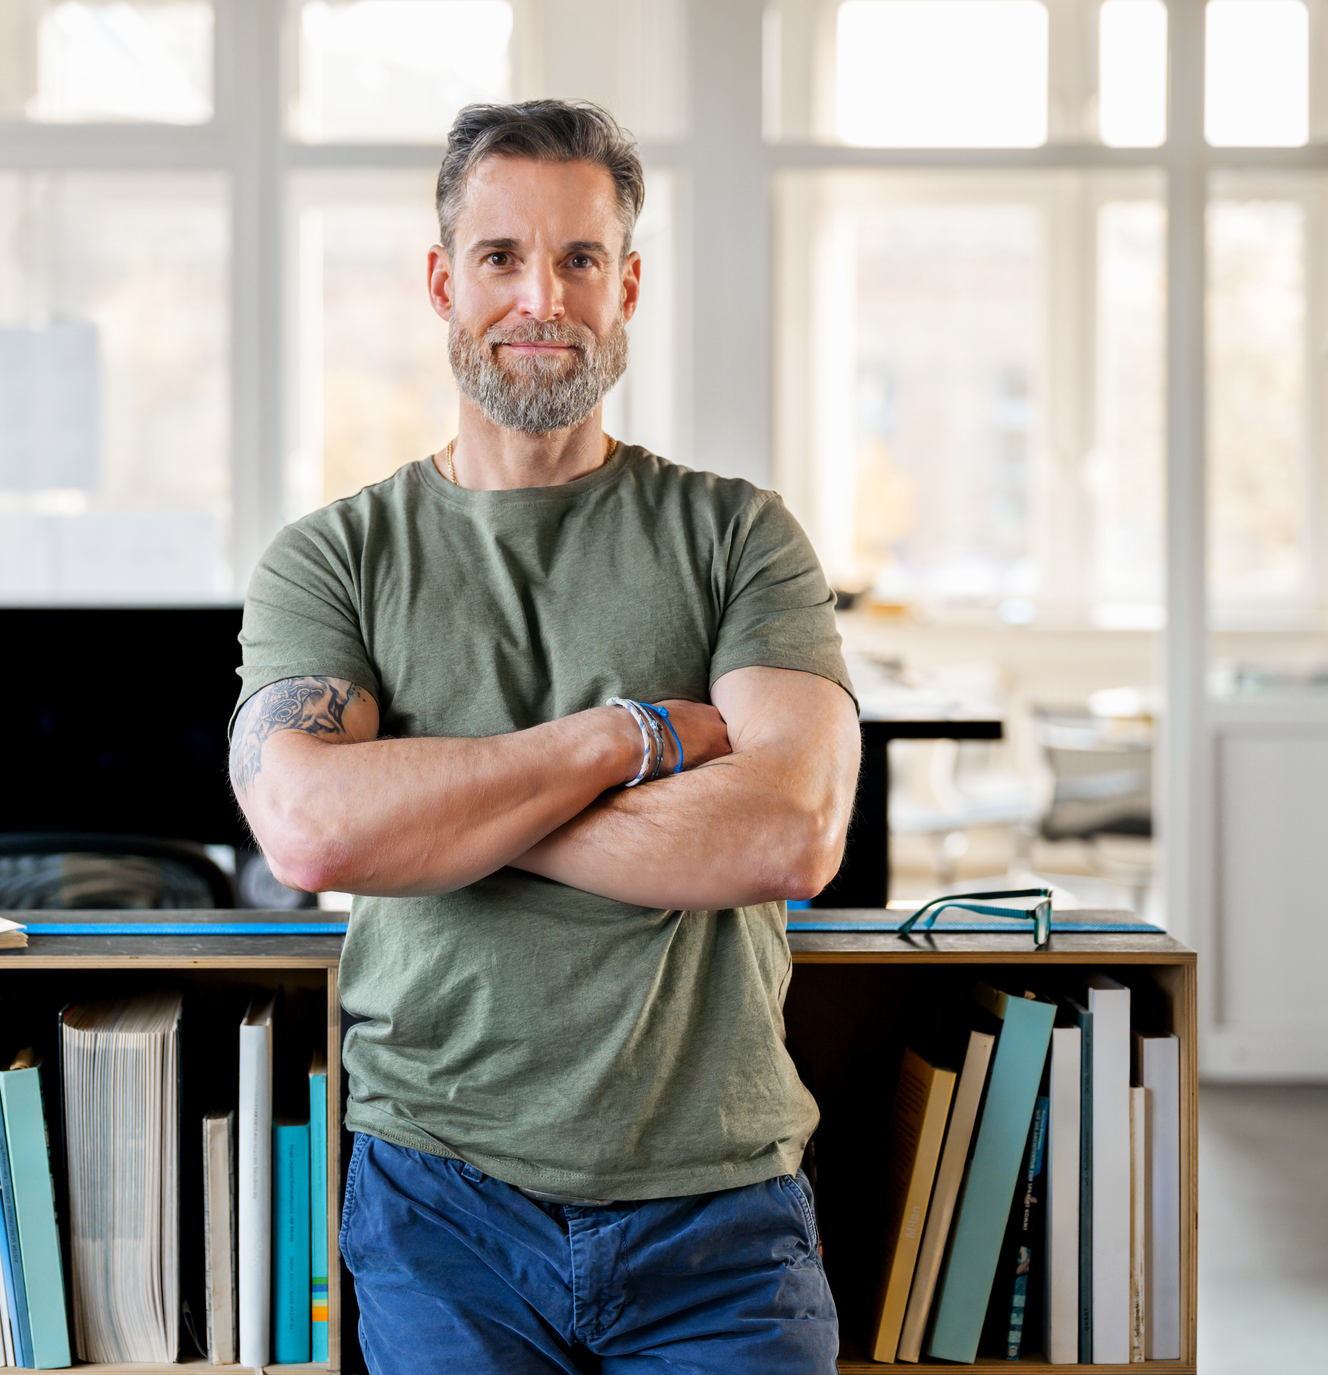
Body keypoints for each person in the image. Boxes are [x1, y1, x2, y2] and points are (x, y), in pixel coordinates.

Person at [230, 98, 861, 1374]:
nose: (542, 298)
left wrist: (442, 819)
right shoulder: (335, 559)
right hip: (442, 1205)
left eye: (580, 259)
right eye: (501, 258)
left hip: (720, 1216)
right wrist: (619, 740)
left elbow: (790, 831)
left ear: (627, 286)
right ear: (441, 281)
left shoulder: (740, 536)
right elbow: (307, 826)